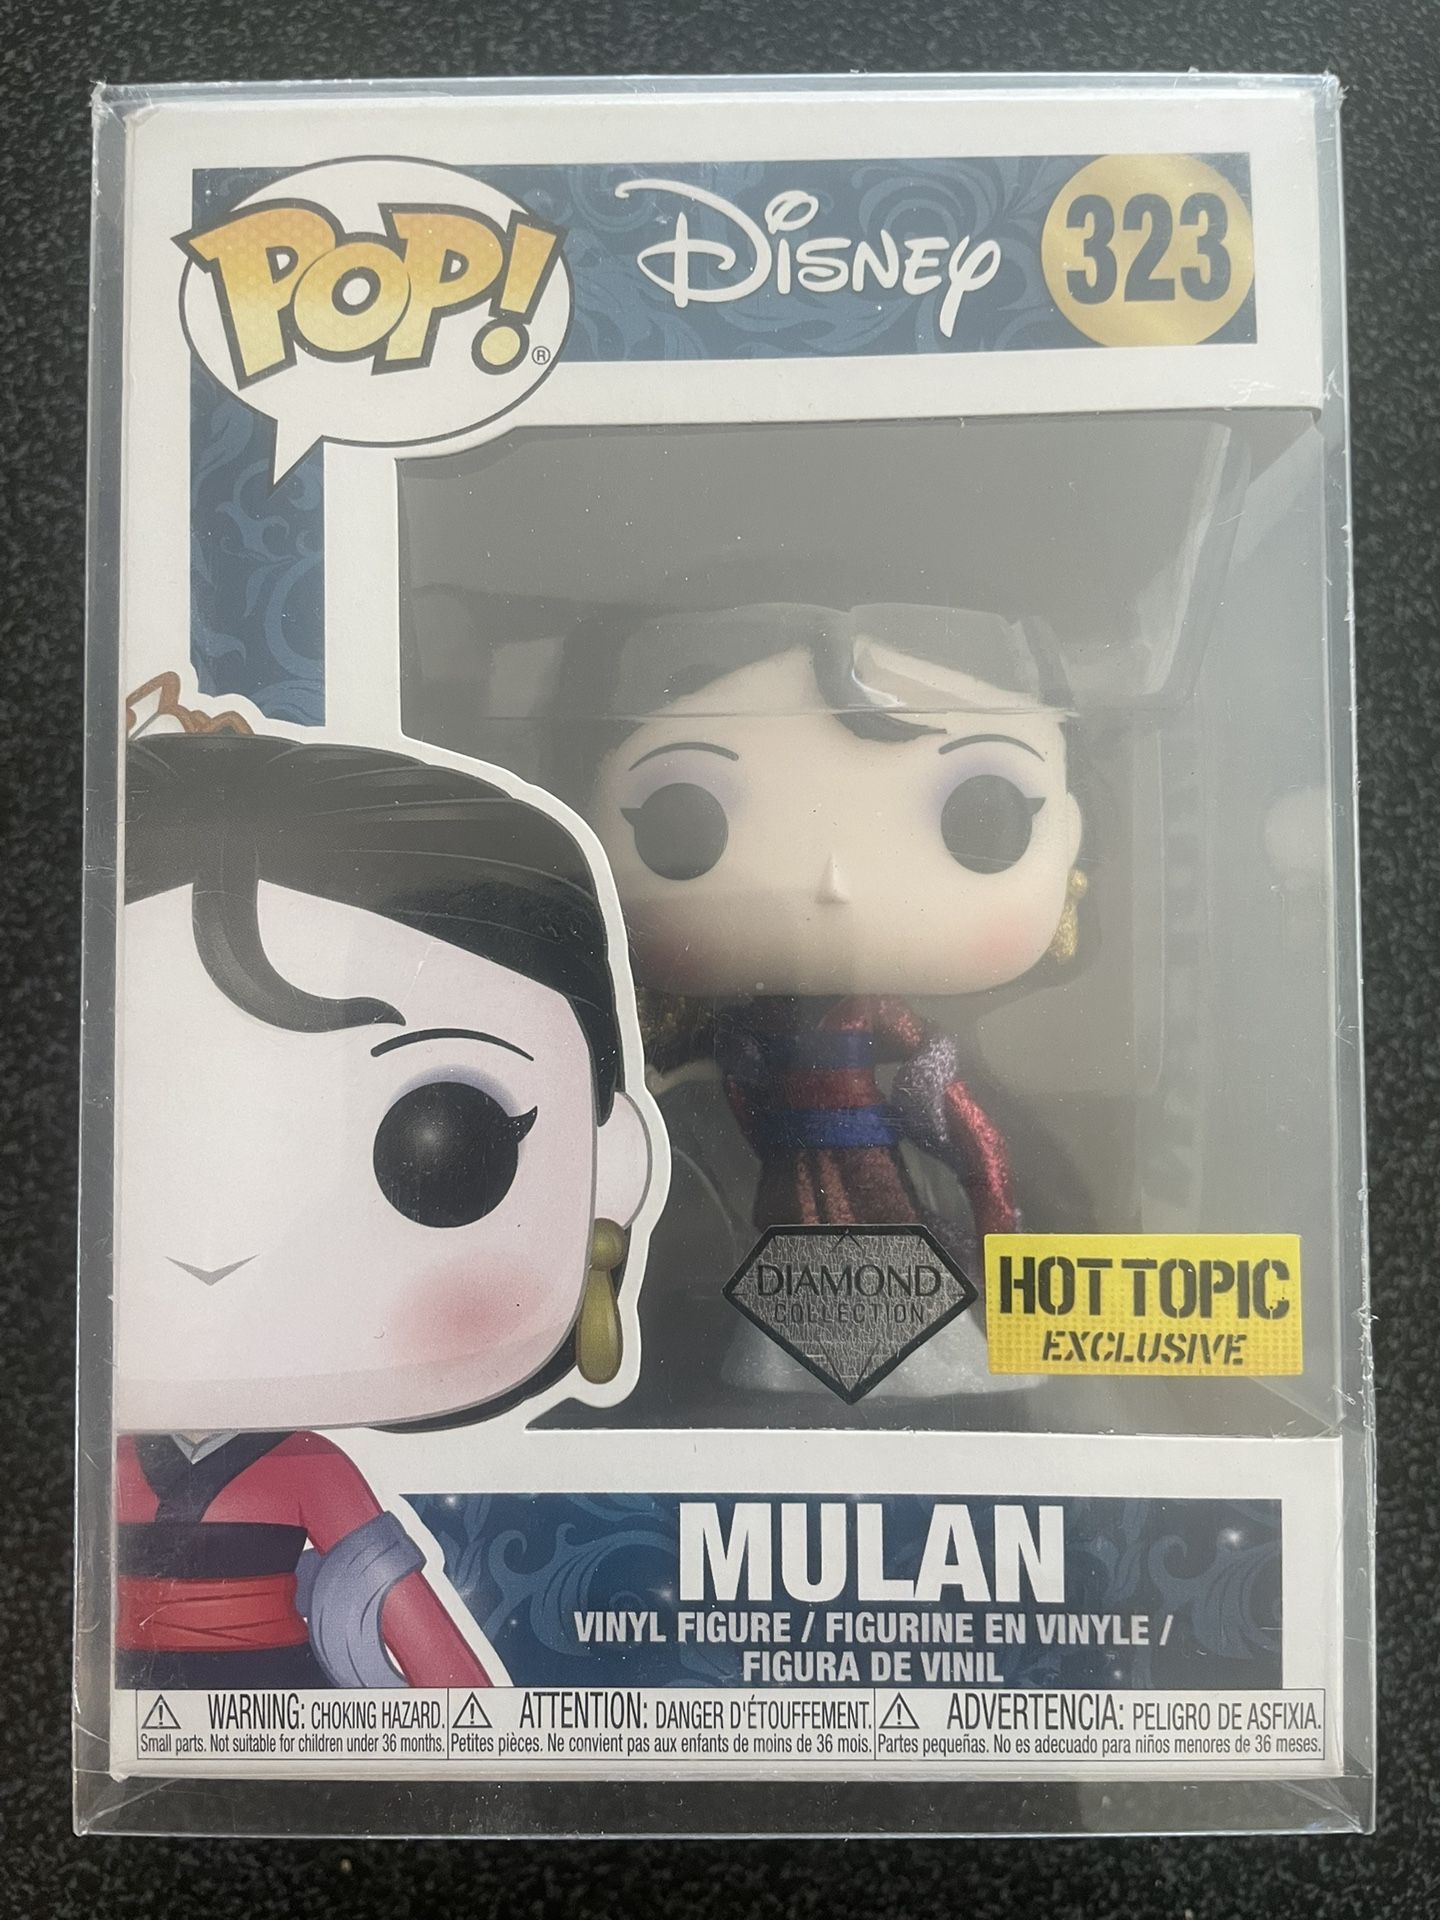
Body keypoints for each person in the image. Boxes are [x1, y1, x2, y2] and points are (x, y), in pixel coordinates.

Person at [114, 734, 656, 1688]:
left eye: (443, 1145)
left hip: (289, 1715)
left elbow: (440, 1665)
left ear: (613, 1163)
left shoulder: (309, 1472)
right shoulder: (107, 1468)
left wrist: (474, 1742)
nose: (216, 1249)